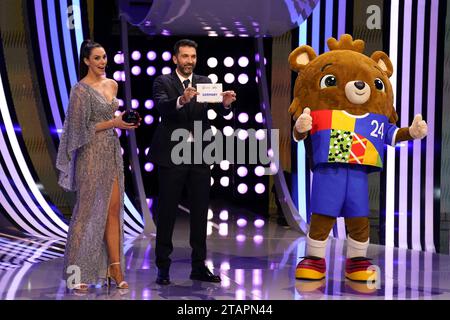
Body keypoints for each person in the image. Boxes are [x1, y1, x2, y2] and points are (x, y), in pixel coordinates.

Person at [149, 39, 236, 285]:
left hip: (199, 155)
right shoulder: (163, 82)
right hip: (171, 154)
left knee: (200, 212)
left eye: (193, 57)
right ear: (175, 58)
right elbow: (163, 108)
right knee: (167, 212)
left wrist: (226, 104)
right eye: (185, 56)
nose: (189, 61)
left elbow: (220, 109)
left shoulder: (205, 82)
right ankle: (162, 267)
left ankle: (199, 266)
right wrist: (182, 100)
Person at [56, 40, 139, 291]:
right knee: (86, 213)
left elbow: (113, 120)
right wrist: (113, 123)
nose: (103, 62)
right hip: (90, 154)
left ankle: (114, 268)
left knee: (112, 212)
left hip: (112, 152)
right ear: (86, 61)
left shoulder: (112, 84)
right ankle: (75, 274)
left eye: (104, 57)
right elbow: (77, 131)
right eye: (97, 58)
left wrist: (126, 122)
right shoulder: (79, 90)